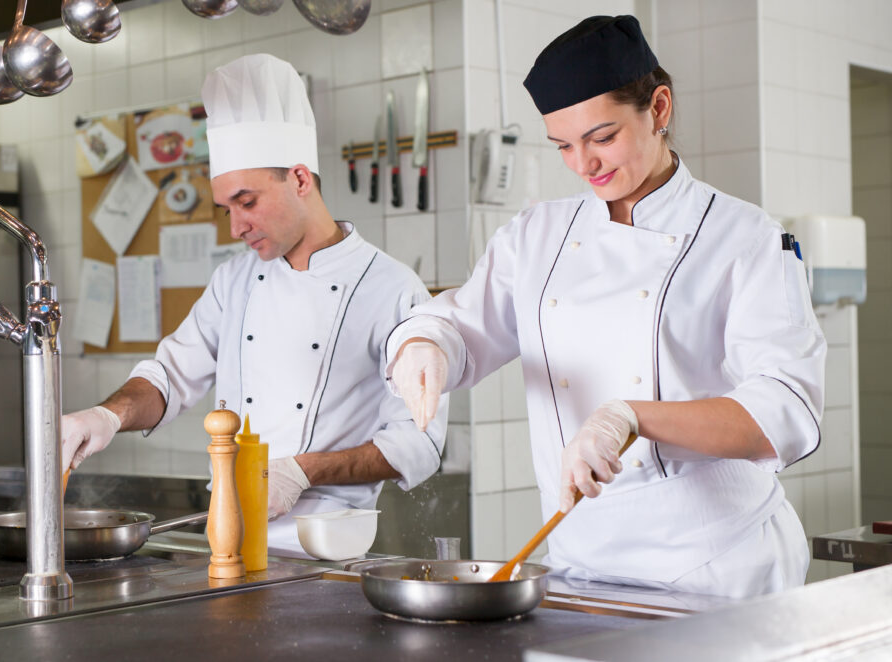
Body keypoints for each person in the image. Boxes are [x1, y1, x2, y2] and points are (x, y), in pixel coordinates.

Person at [386, 15, 825, 599]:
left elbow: (786, 412)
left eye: (602, 137)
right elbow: (459, 326)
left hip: (718, 565)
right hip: (581, 561)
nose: (583, 164)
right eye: (564, 146)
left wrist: (631, 416)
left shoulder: (744, 237)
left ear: (659, 108)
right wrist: (425, 343)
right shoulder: (536, 235)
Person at [62, 53, 448, 553]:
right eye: (227, 209)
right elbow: (169, 376)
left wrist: (302, 471)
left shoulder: (391, 287)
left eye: (247, 202)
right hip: (231, 536)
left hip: (326, 549)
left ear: (300, 179)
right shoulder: (235, 280)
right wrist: (107, 416)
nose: (236, 227)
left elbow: (420, 443)